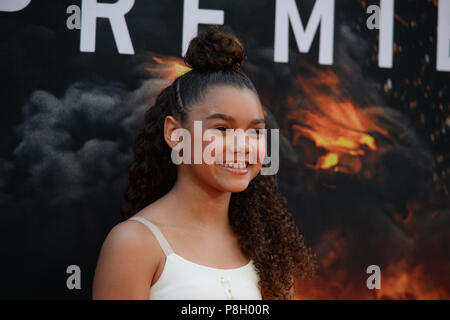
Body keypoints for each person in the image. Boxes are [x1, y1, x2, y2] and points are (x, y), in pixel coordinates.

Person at [92, 25, 315, 300]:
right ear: (175, 134)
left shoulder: (267, 251)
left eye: (255, 132)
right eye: (221, 129)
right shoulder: (134, 244)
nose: (242, 146)